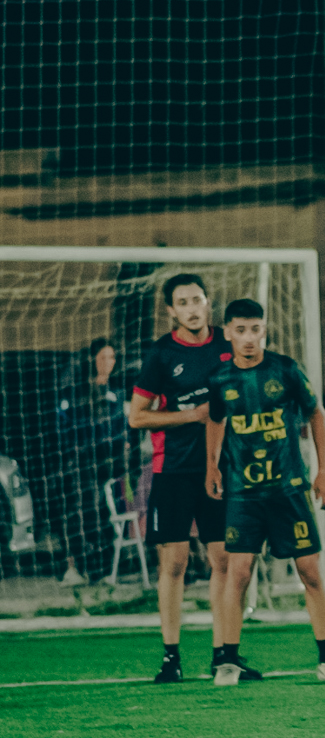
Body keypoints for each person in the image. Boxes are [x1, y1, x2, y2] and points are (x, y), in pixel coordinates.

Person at [203, 298, 325, 686]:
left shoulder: (285, 369)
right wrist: (212, 464)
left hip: (289, 489)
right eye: (241, 330)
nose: (248, 338)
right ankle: (229, 661)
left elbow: (316, 413)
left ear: (264, 331)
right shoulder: (220, 379)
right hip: (243, 493)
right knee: (238, 571)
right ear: (227, 333)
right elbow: (215, 420)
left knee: (311, 571)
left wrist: (324, 472)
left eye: (255, 330)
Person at [129, 273, 243, 684]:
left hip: (222, 470)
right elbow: (137, 416)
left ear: (208, 302)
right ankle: (171, 657)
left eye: (197, 299)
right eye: (183, 302)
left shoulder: (228, 343)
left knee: (224, 560)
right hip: (173, 470)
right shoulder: (161, 354)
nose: (192, 309)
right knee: (174, 562)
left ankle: (223, 655)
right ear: (171, 311)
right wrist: (191, 415)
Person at [55, 337, 130, 585]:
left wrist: (121, 446)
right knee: (81, 510)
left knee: (105, 511)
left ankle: (105, 567)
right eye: (102, 357)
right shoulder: (75, 394)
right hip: (82, 463)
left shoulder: (116, 394)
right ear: (92, 360)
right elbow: (65, 428)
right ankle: (77, 566)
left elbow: (121, 430)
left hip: (109, 463)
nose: (108, 363)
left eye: (112, 357)